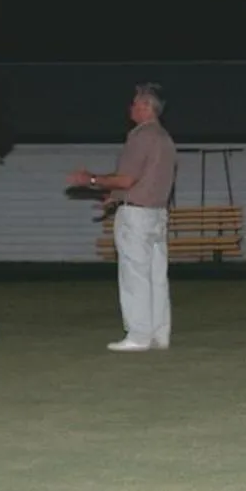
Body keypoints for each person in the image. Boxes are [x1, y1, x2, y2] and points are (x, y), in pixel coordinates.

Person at [66, 83, 177, 352]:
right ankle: (159, 334)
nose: (130, 108)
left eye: (135, 103)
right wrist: (114, 197)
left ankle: (138, 336)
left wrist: (91, 179)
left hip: (137, 216)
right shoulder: (165, 138)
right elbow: (148, 178)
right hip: (157, 214)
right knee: (156, 276)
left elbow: (127, 179)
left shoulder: (140, 136)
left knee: (134, 275)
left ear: (146, 107)